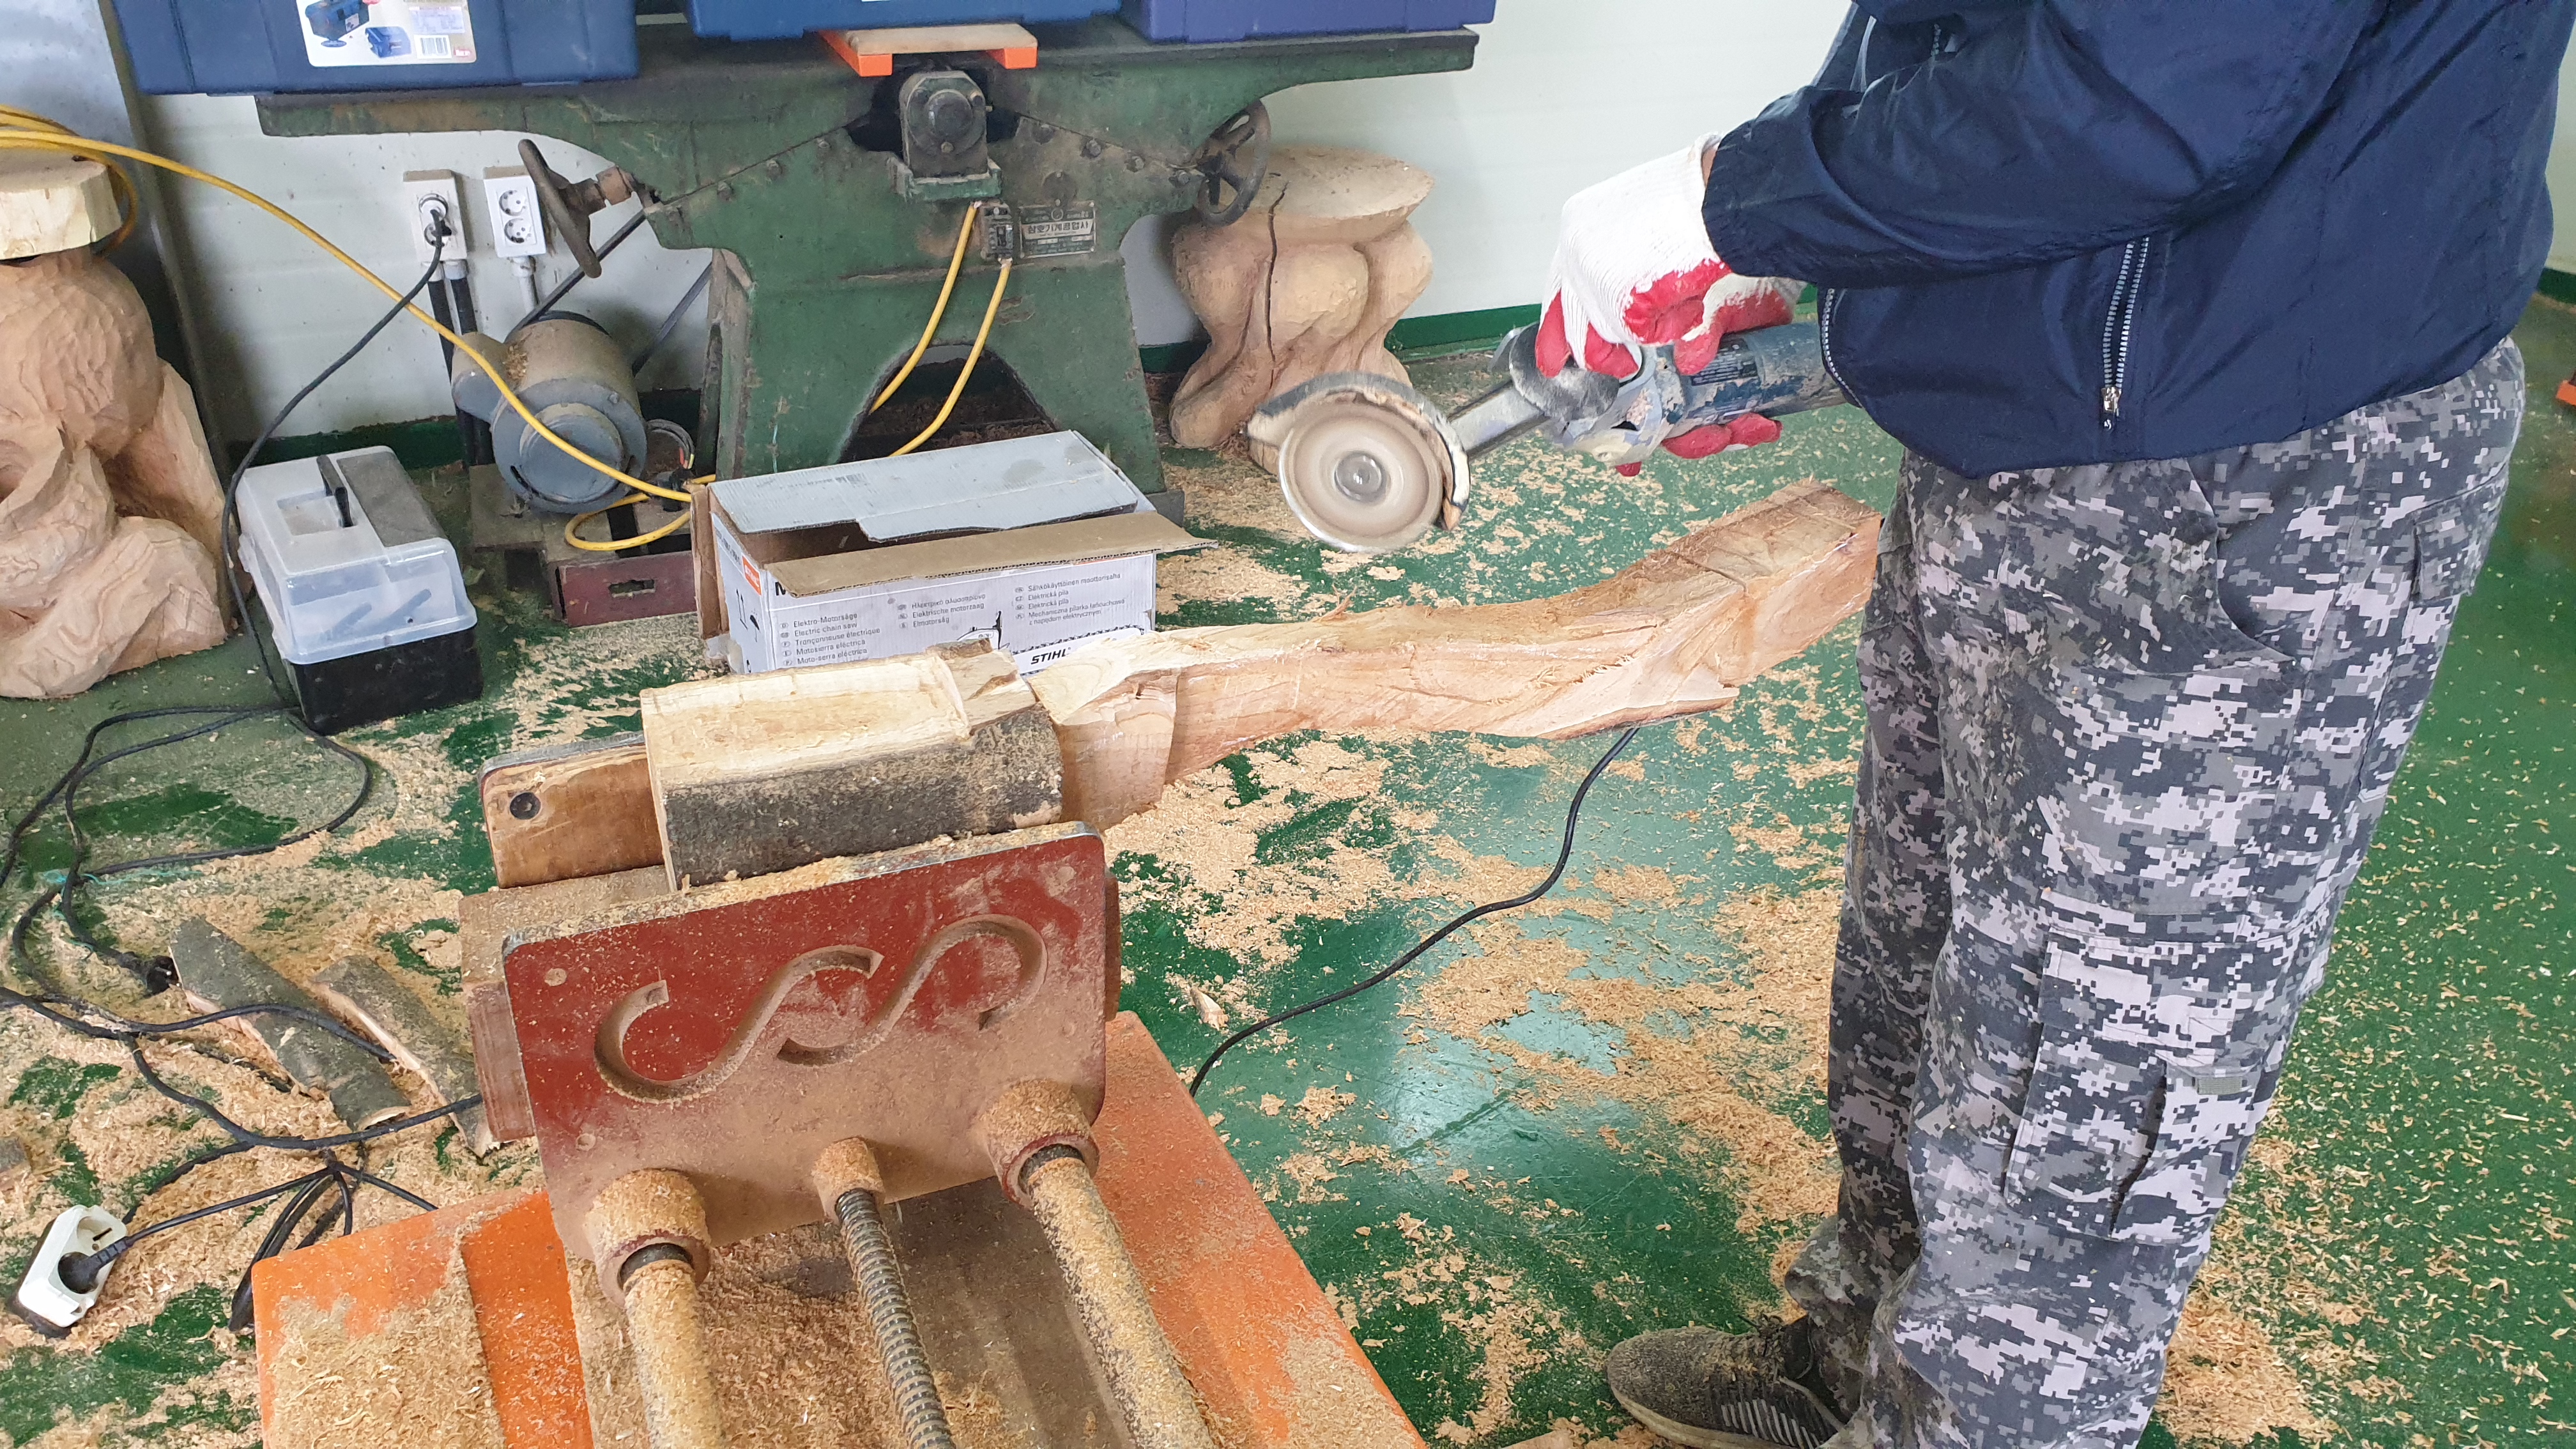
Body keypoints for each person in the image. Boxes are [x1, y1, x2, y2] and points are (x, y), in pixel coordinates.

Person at [1538, 4, 2575, 1447]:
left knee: (2076, 1090)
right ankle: (1857, 1361)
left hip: (2240, 485)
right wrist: (1841, 262)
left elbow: (2158, 88)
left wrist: (1734, 193)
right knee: (1919, 963)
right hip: (2025, 435)